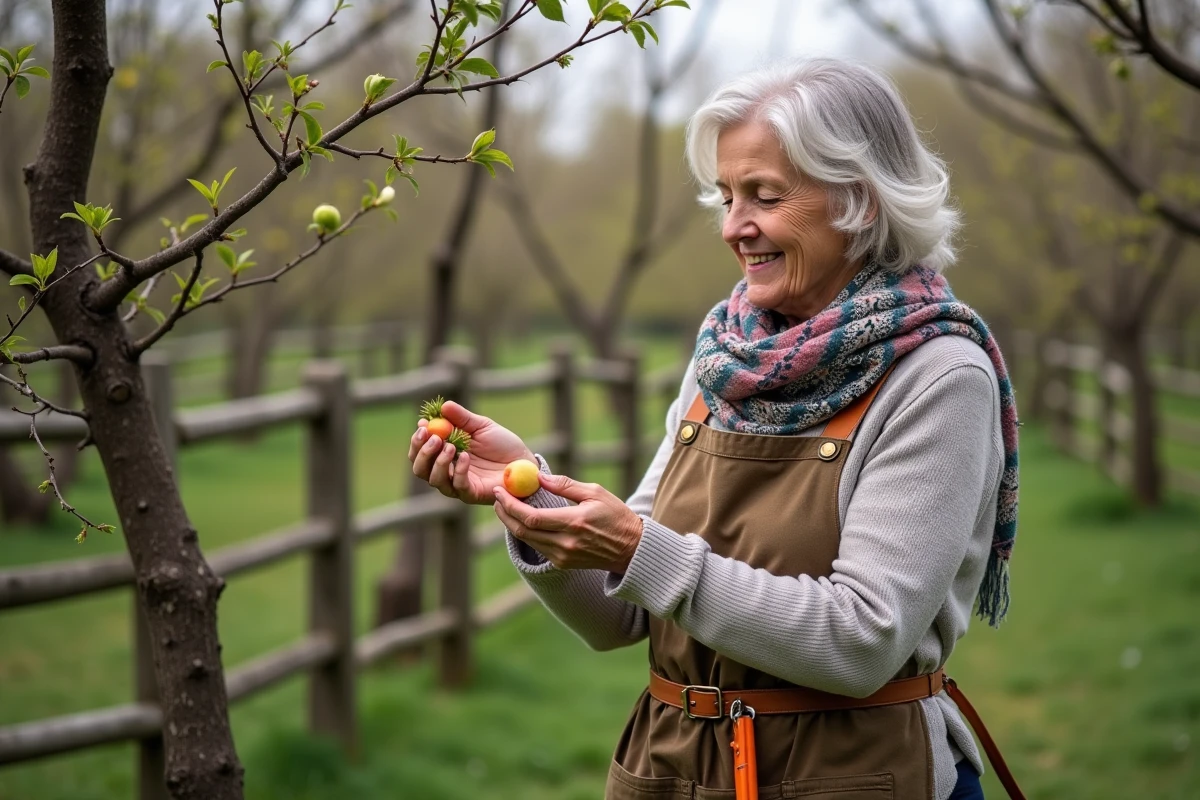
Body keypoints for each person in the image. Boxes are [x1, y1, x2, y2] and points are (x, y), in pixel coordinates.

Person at [408, 58, 1021, 800]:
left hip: (852, 776)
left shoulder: (939, 374)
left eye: (764, 195)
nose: (734, 227)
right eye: (727, 196)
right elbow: (621, 613)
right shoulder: (727, 356)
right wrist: (533, 501)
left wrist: (643, 551)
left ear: (861, 198)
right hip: (676, 769)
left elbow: (862, 639)